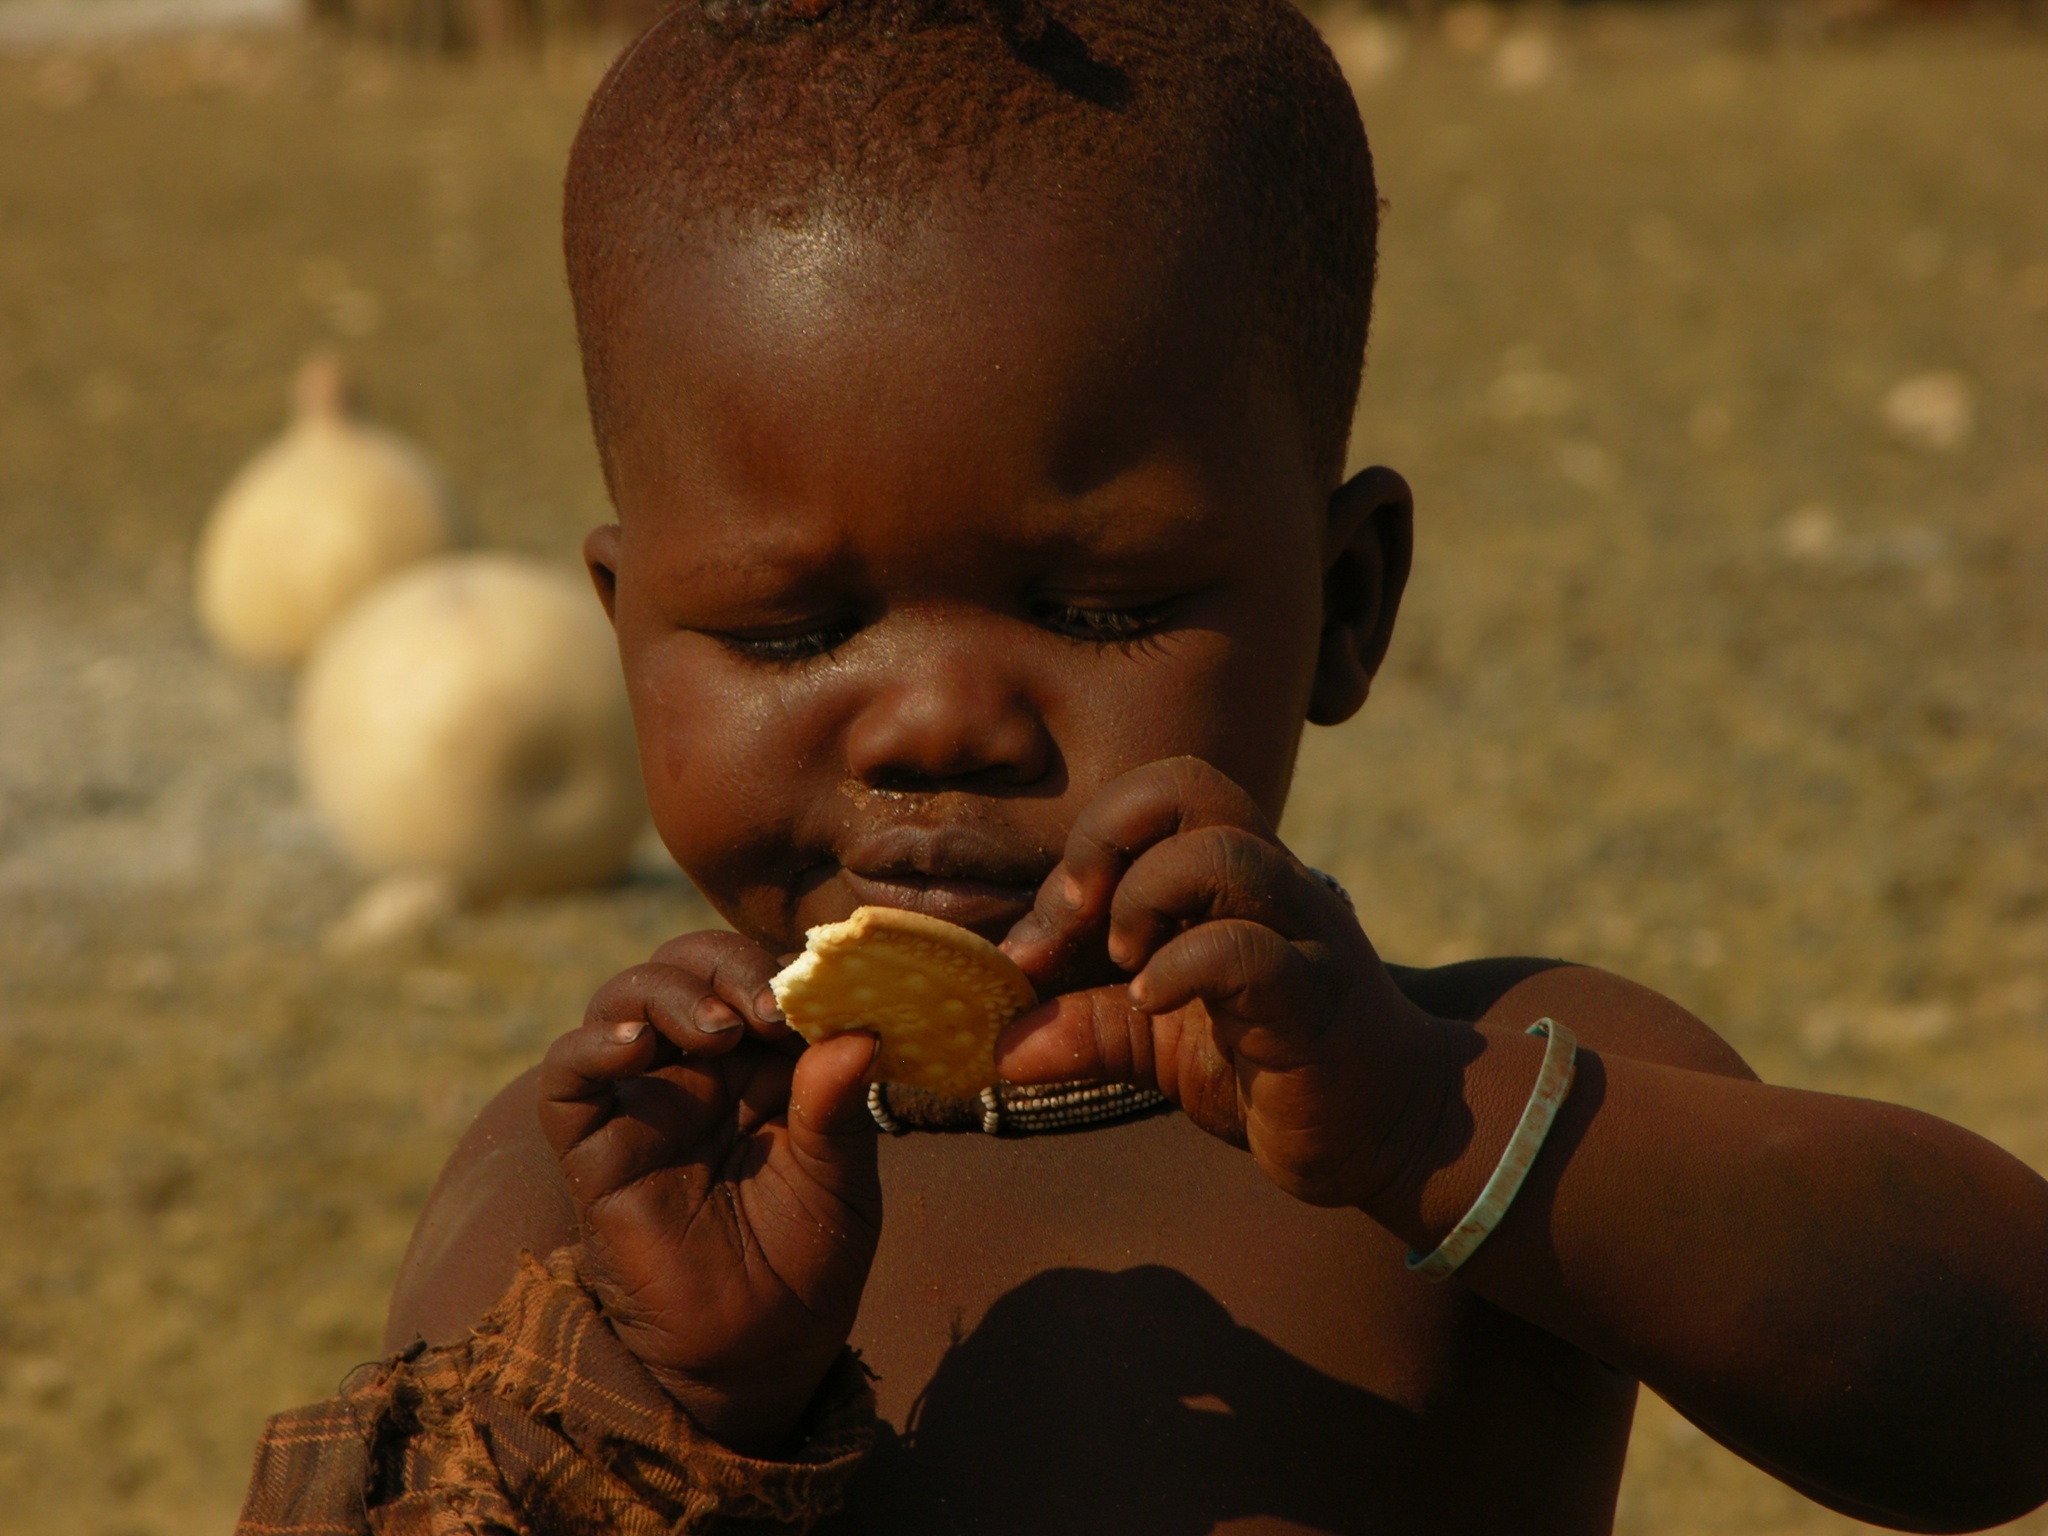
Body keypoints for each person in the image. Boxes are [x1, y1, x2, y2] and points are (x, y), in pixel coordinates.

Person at [236, 1, 2048, 1531]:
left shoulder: (1501, 1078)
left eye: (1096, 609)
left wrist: (1432, 1126)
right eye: (791, 634)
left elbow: (2002, 1386)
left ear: (1342, 605)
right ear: (630, 639)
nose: (936, 721)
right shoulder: (604, 1183)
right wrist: (673, 1402)